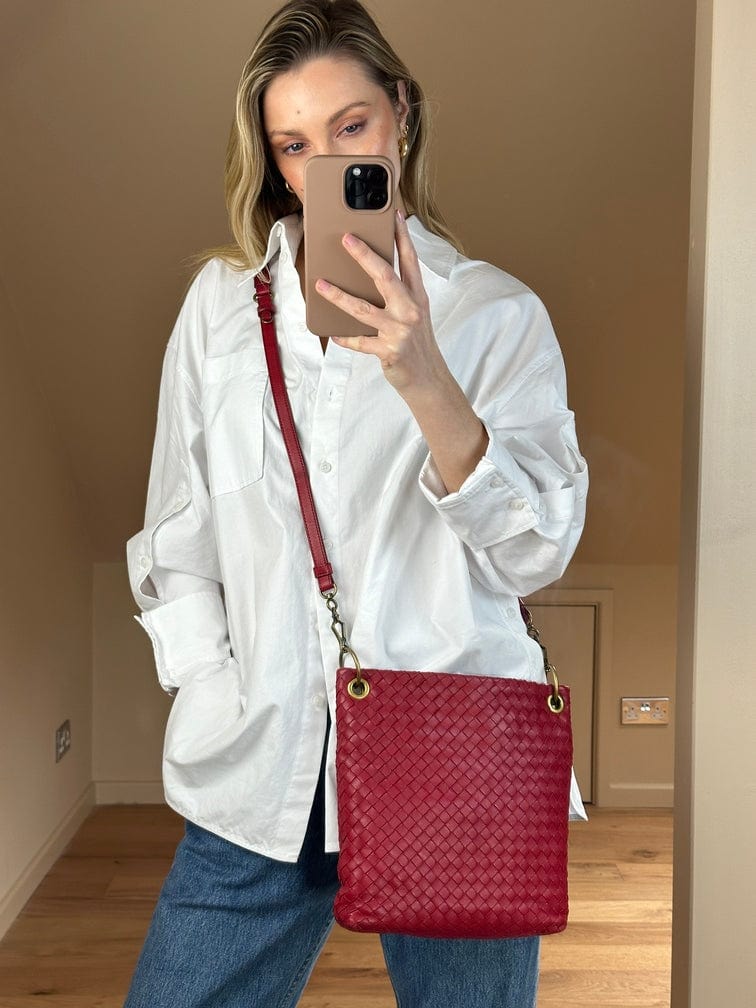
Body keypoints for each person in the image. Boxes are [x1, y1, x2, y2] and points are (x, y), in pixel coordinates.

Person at [124, 1, 588, 1005]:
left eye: (351, 126)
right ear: (273, 162)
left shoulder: (496, 315)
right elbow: (175, 530)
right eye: (295, 144)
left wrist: (424, 375)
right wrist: (211, 690)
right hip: (262, 763)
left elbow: (534, 554)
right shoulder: (220, 313)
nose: (326, 163)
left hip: (456, 768)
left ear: (402, 115)